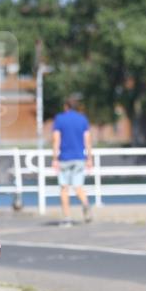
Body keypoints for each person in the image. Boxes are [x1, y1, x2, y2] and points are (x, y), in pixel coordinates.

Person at [51, 95, 93, 225]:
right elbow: (87, 140)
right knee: (78, 186)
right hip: (79, 158)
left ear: (66, 106)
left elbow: (56, 139)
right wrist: (89, 158)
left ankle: (67, 217)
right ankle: (85, 204)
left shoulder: (60, 119)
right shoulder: (82, 119)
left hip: (65, 158)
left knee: (64, 188)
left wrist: (54, 158)